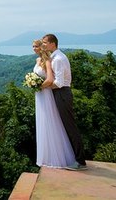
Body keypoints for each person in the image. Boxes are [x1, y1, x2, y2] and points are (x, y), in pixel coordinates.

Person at [31, 39, 78, 169]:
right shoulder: (39, 61)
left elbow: (52, 80)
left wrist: (37, 85)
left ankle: (67, 158)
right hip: (42, 94)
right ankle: (46, 156)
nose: (34, 48)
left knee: (54, 122)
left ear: (43, 47)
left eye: (37, 46)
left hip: (48, 93)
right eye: (33, 46)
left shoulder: (51, 60)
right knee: (44, 123)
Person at [42, 33, 86, 168]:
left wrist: (42, 86)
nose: (43, 45)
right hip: (59, 94)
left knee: (70, 126)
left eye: (44, 43)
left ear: (52, 44)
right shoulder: (54, 58)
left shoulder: (58, 59)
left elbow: (59, 82)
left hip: (62, 94)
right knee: (64, 126)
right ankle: (72, 158)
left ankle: (80, 161)